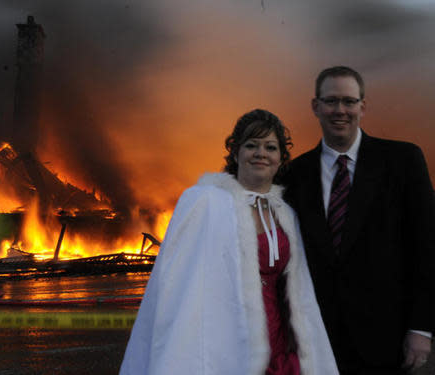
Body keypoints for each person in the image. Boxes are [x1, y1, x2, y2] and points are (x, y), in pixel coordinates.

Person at [120, 109, 338, 375]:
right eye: (251, 145)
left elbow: (296, 287)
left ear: (281, 158)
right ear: (236, 153)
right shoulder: (207, 202)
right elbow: (178, 283)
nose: (261, 153)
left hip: (279, 342)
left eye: (270, 147)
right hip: (226, 335)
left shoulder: (286, 214)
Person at [284, 66, 435, 374]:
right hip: (318, 339)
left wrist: (422, 328)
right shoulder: (294, 174)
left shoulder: (403, 161)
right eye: (331, 101)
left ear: (363, 107)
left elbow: (427, 247)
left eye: (349, 102)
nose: (340, 110)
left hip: (387, 338)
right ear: (316, 106)